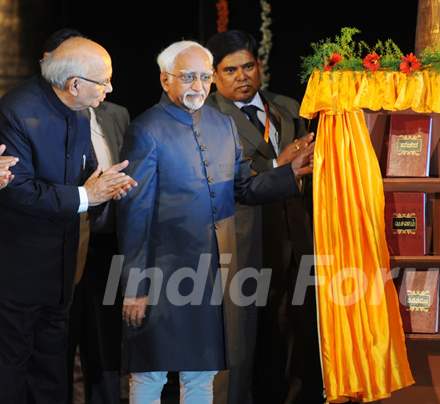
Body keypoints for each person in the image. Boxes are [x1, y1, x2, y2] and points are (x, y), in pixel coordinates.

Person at [117, 40, 313, 404]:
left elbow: (245, 188)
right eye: (188, 77)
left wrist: (288, 175)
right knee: (150, 373)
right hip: (161, 273)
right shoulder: (146, 130)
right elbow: (134, 213)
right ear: (165, 80)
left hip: (209, 274)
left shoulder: (222, 125)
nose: (198, 86)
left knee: (202, 374)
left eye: (204, 77)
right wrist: (135, 286)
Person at [0, 36, 136, 403]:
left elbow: (84, 172)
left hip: (62, 269)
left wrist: (104, 186)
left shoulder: (77, 112)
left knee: (52, 368)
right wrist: (86, 195)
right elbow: (17, 190)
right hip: (19, 272)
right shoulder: (16, 111)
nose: (110, 88)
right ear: (75, 84)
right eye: (104, 81)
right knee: (12, 368)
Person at [205, 30, 323, 404]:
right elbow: (223, 179)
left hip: (296, 238)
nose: (241, 76)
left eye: (247, 67)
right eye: (230, 70)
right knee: (245, 340)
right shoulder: (207, 118)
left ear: (259, 67)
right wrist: (278, 163)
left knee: (297, 334)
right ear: (213, 76)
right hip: (243, 241)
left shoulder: (287, 107)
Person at [38, 28, 130, 404]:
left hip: (108, 242)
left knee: (106, 342)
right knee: (59, 340)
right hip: (60, 243)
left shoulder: (116, 114)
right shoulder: (36, 118)